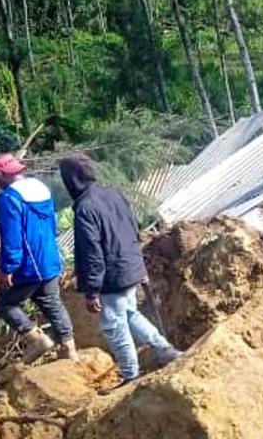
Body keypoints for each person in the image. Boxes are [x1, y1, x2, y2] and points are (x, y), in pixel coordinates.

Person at [58, 153, 181, 391]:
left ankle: (130, 375)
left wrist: (92, 290)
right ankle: (165, 350)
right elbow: (133, 228)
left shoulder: (85, 208)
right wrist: (137, 261)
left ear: (70, 180)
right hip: (130, 265)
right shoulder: (114, 194)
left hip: (112, 276)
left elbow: (91, 252)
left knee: (114, 325)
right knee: (130, 314)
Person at [0, 152, 77, 363]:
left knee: (4, 305)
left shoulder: (9, 197)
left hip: (28, 265)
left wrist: (8, 268)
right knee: (51, 302)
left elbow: (12, 237)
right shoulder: (42, 189)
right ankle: (69, 350)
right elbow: (53, 225)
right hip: (50, 259)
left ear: (0, 174)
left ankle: (37, 340)